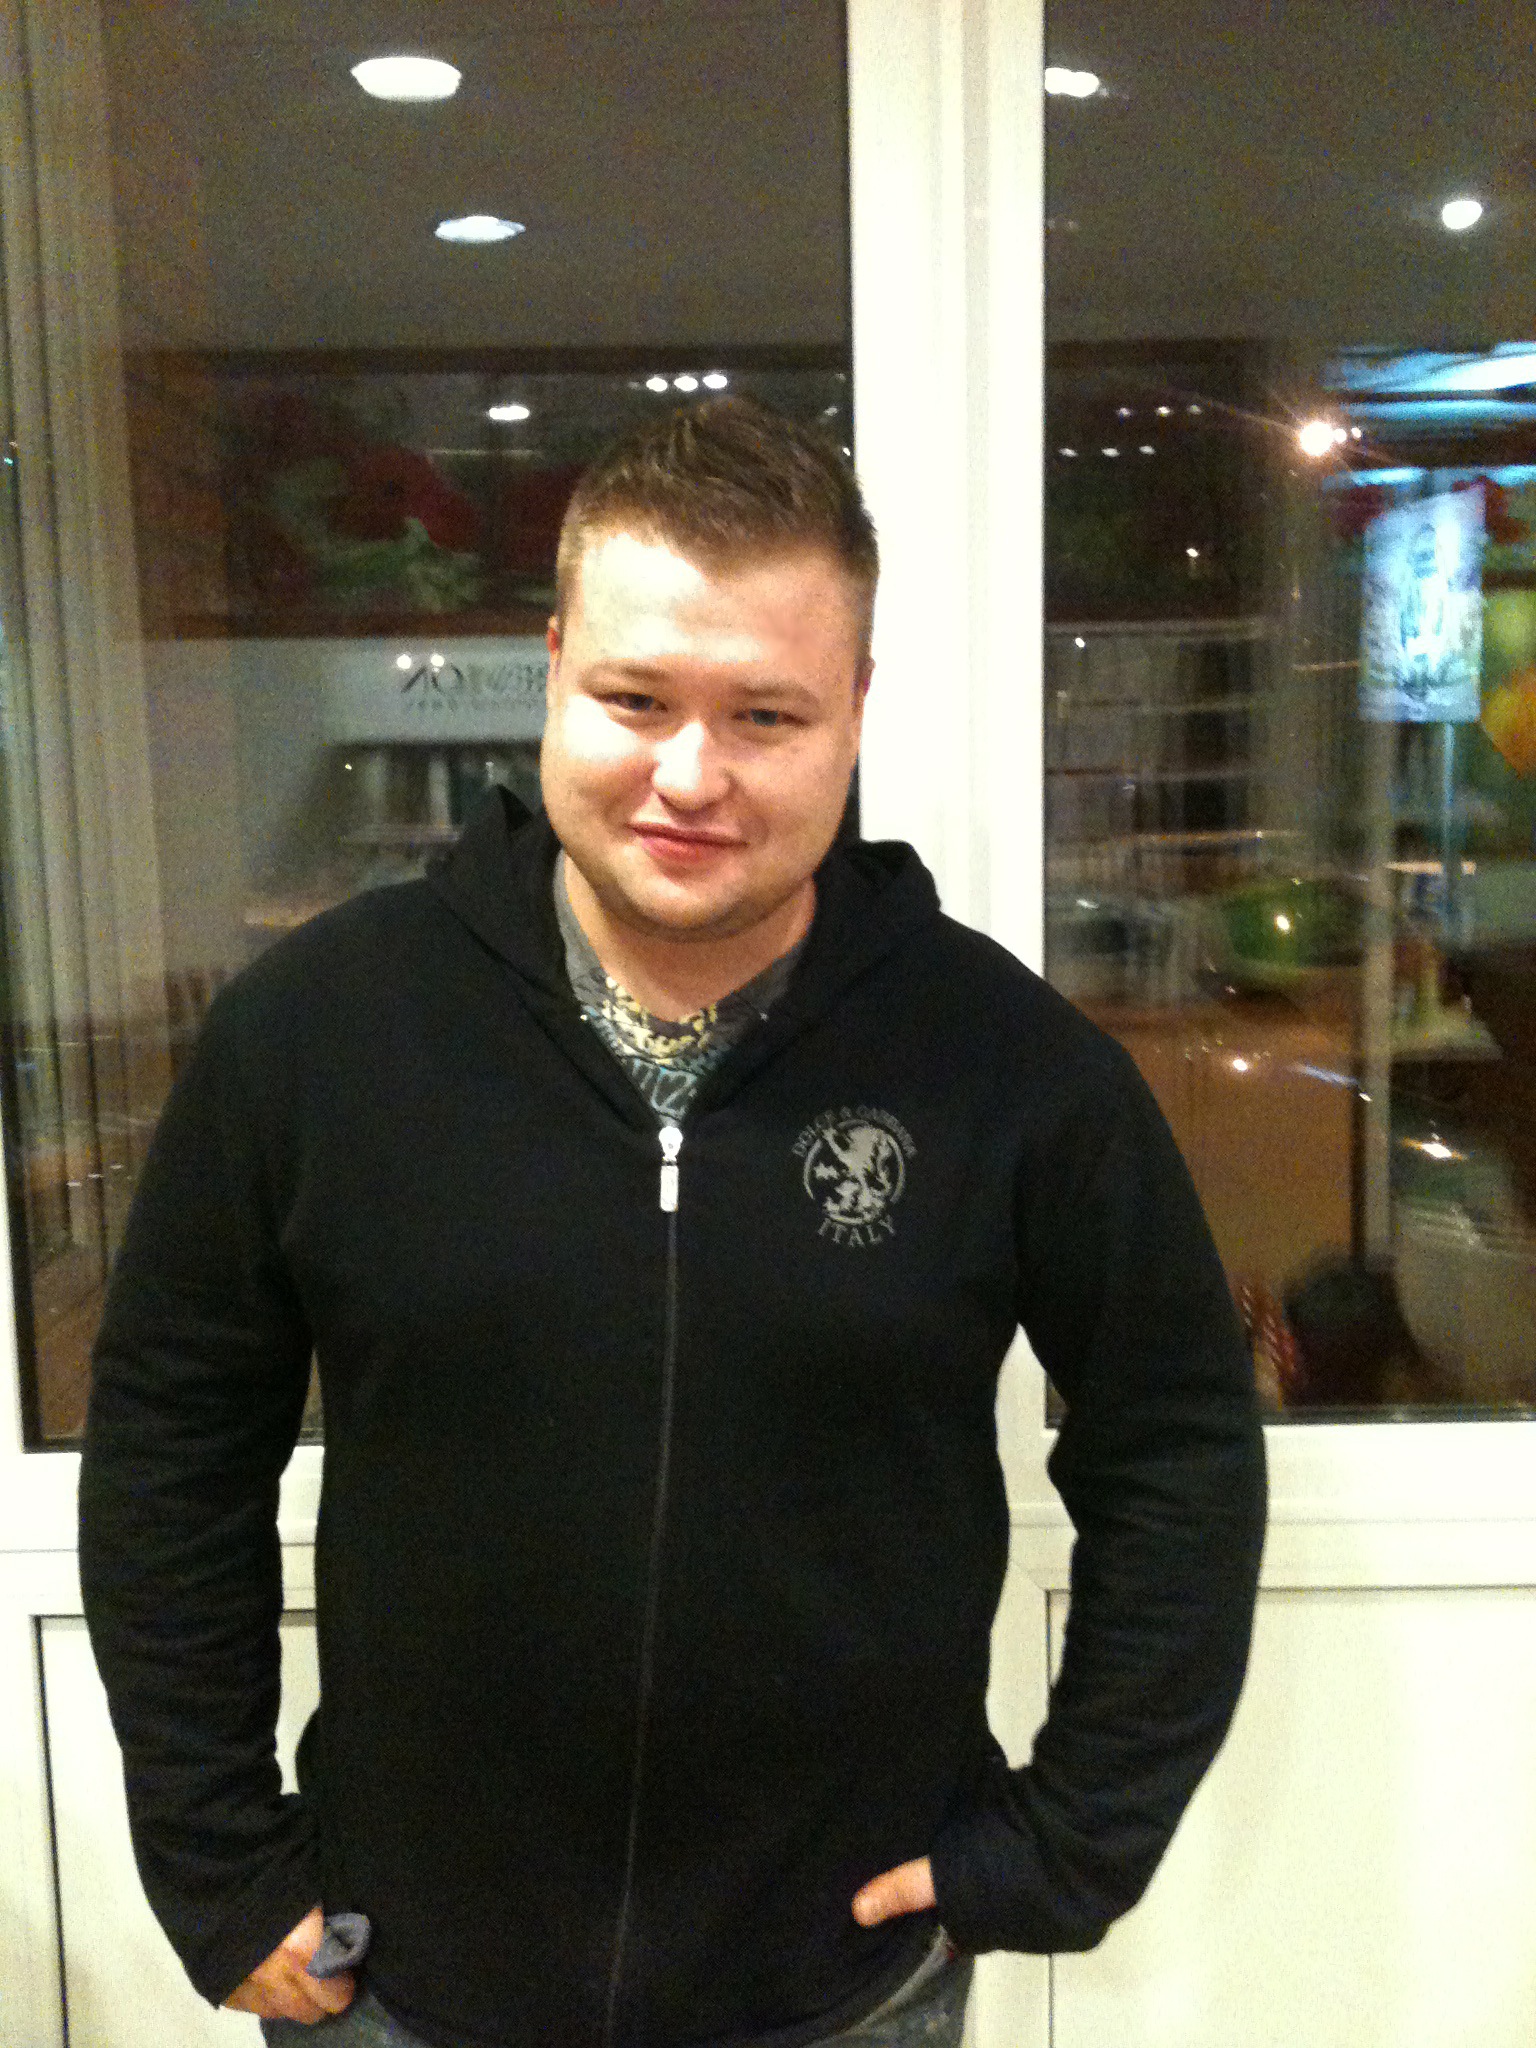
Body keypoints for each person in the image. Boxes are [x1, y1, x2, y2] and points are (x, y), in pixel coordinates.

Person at [79, 398, 1267, 2048]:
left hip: (840, 1991)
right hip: (398, 1987)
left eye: (766, 714)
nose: (690, 776)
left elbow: (1179, 1449)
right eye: (636, 699)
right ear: (553, 666)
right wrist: (217, 1862)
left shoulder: (1010, 1067)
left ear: (856, 708)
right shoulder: (317, 1033)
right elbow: (170, 1444)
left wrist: (1069, 1845)